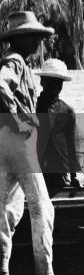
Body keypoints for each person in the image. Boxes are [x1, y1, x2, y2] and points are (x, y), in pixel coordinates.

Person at [0, 11, 76, 275]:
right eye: (36, 38)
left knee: (10, 207)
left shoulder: (17, 62)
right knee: (43, 207)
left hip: (3, 140)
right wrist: (17, 119)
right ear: (23, 39)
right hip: (16, 140)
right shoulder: (14, 62)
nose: (40, 43)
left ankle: (2, 274)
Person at [36, 58, 81, 194]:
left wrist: (73, 176)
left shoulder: (67, 111)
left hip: (59, 172)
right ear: (42, 82)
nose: (55, 87)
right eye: (51, 82)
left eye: (59, 83)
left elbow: (71, 146)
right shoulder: (32, 107)